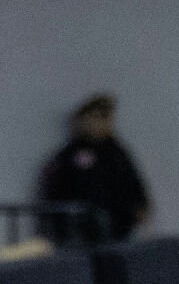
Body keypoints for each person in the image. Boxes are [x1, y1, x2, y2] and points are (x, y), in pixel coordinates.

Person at [39, 94, 149, 242]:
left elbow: (132, 180)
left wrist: (141, 205)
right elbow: (58, 191)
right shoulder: (71, 155)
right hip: (84, 232)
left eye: (105, 119)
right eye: (96, 118)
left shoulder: (116, 151)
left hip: (119, 226)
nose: (102, 124)